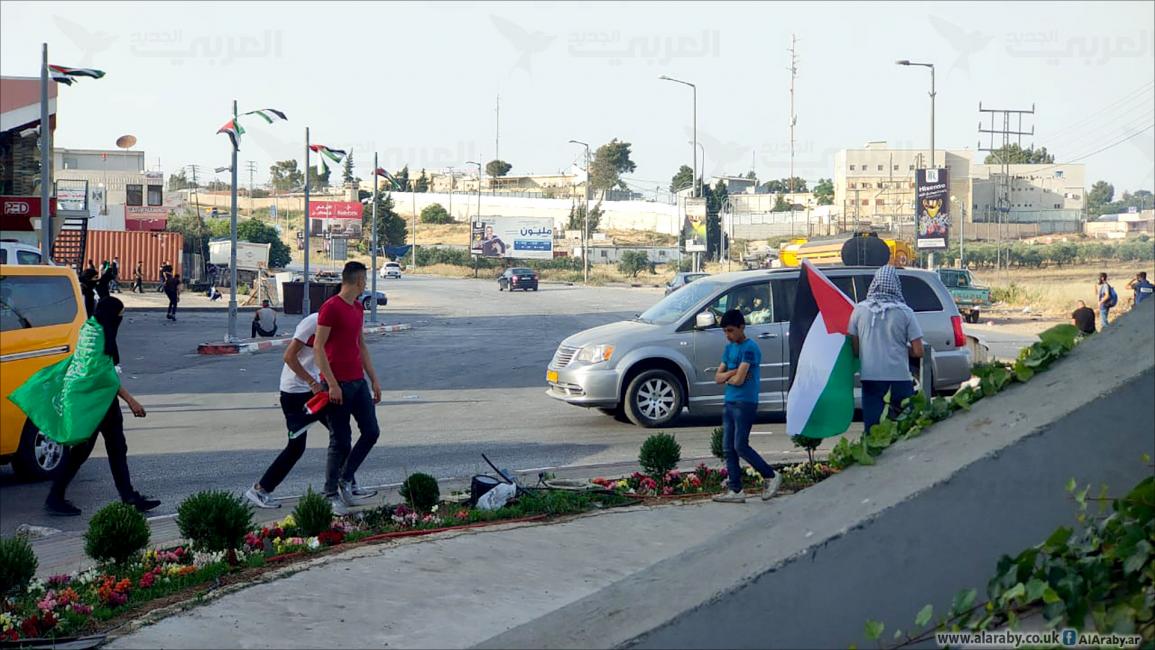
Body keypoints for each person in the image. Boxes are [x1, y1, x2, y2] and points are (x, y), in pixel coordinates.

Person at [24, 298, 160, 516]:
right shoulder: (97, 337)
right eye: (120, 316)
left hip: (102, 399)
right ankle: (55, 497)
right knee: (82, 452)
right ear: (111, 316)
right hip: (91, 402)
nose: (121, 320)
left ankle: (129, 496)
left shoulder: (92, 328)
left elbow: (104, 374)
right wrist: (132, 401)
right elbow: (104, 375)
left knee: (117, 447)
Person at [244, 313, 377, 509]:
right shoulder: (313, 322)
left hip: (318, 390)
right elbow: (289, 356)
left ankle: (348, 483)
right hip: (296, 392)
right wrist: (312, 382)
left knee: (341, 436)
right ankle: (260, 489)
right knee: (296, 447)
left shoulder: (341, 321)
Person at [313, 261, 382, 515]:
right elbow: (318, 347)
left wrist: (373, 379)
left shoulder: (356, 308)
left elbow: (360, 345)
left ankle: (346, 478)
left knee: (371, 432)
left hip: (358, 383)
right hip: (337, 385)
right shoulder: (331, 308)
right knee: (340, 441)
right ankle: (330, 493)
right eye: (365, 279)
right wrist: (331, 383)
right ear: (359, 280)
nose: (366, 284)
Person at [711, 309, 781, 504]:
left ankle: (771, 475)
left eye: (731, 330)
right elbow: (718, 377)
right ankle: (735, 489)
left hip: (745, 402)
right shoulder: (729, 348)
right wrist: (733, 373)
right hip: (729, 401)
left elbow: (740, 380)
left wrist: (731, 376)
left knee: (740, 445)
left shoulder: (750, 348)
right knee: (728, 447)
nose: (728, 335)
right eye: (725, 331)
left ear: (742, 327)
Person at [848, 265, 925, 435]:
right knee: (903, 429)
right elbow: (919, 351)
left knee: (874, 431)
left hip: (870, 378)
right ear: (896, 285)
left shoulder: (859, 310)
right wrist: (902, 349)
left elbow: (855, 350)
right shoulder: (906, 312)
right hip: (899, 379)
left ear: (874, 283)